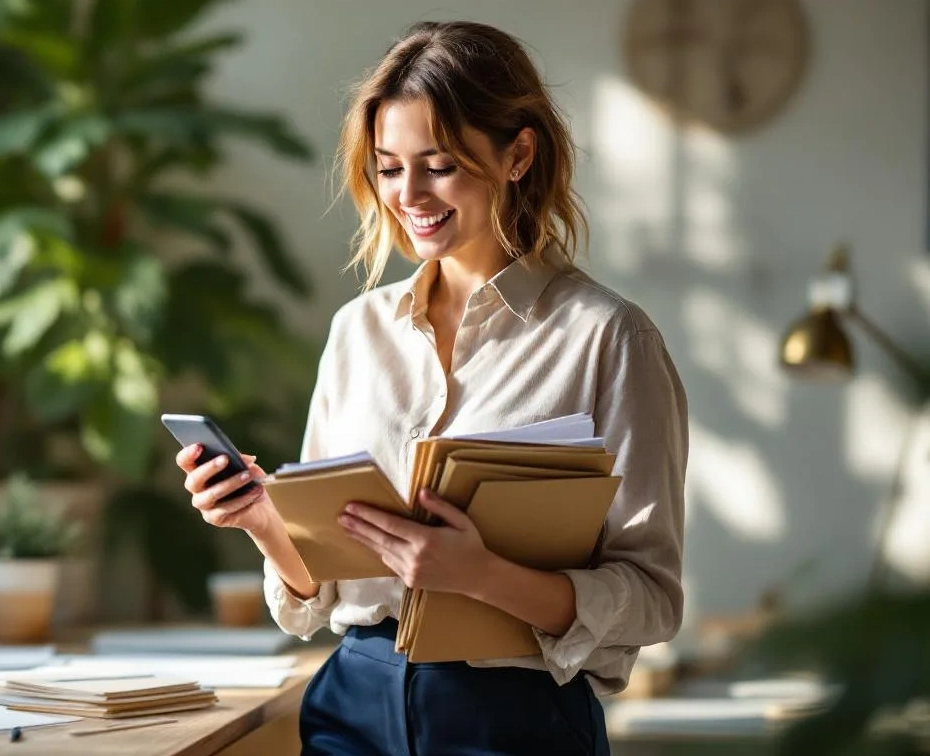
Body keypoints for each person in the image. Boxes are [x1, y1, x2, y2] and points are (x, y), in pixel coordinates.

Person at [175, 20, 687, 756]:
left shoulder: (610, 338)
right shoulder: (359, 330)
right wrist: (262, 519)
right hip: (351, 703)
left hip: (514, 720)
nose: (407, 194)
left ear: (518, 154)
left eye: (438, 165)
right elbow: (319, 590)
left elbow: (652, 598)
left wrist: (482, 576)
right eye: (387, 167)